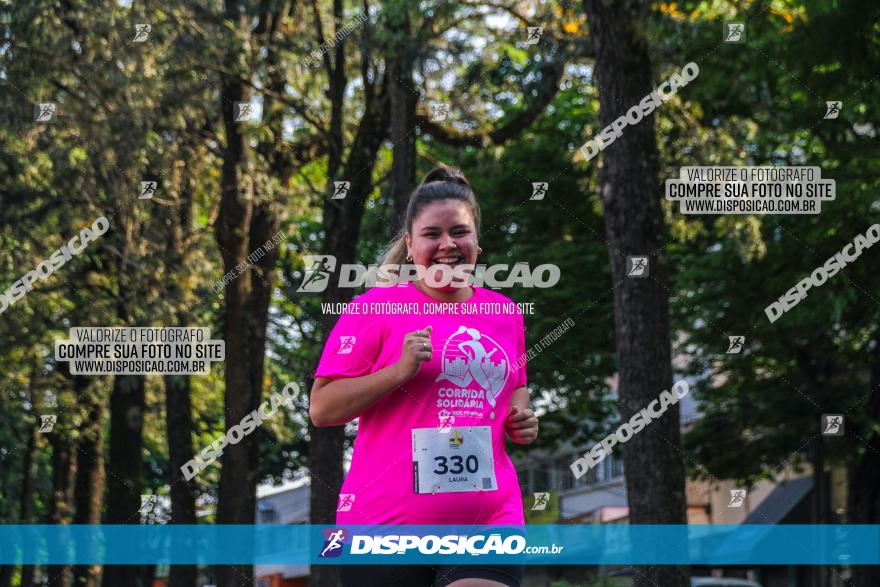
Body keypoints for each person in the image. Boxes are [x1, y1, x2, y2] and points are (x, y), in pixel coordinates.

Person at [310, 166, 539, 587]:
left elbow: (516, 385)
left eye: (460, 232)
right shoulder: (374, 309)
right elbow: (322, 409)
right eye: (432, 234)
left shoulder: (504, 313)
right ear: (411, 245)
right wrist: (397, 372)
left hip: (488, 521)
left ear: (476, 242)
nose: (447, 245)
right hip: (382, 527)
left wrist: (521, 415)